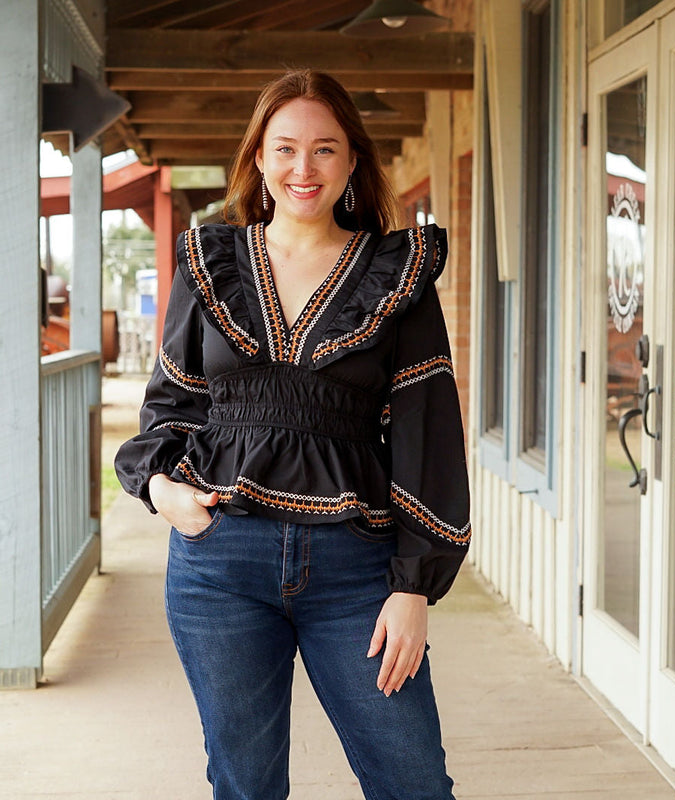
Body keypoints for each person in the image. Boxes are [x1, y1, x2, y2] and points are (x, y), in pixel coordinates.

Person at [115, 69, 471, 800]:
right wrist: (164, 492)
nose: (302, 169)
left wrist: (414, 588)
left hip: (355, 573)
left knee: (413, 781)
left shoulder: (394, 275)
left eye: (323, 150)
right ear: (258, 158)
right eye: (284, 149)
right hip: (220, 567)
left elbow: (426, 432)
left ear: (351, 163)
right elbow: (171, 405)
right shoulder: (209, 264)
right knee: (245, 786)